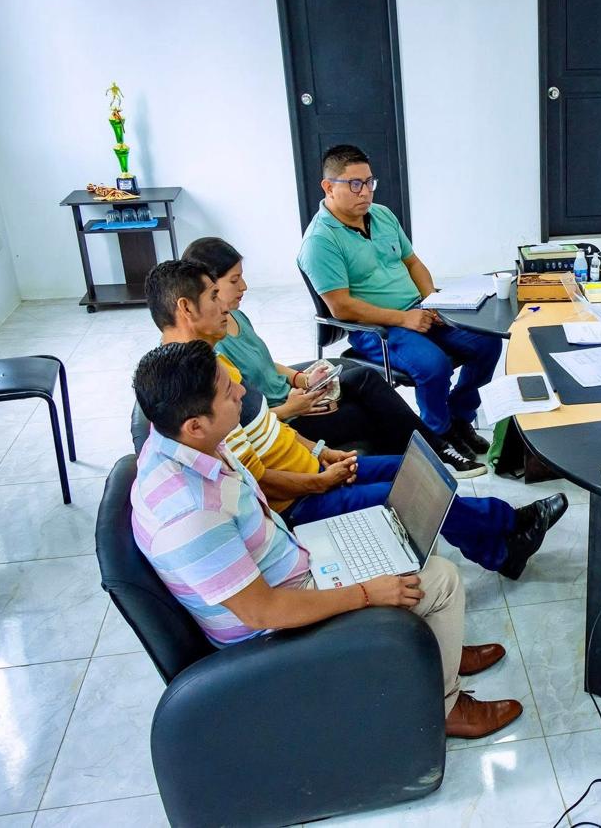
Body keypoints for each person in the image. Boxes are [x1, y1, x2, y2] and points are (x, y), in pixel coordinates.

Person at [130, 340, 522, 737]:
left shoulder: (188, 444)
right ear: (195, 424)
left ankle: (436, 650)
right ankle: (446, 706)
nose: (242, 391)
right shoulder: (190, 513)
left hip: (291, 561)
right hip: (275, 630)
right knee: (442, 579)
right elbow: (263, 613)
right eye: (228, 391)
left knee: (408, 530)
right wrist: (366, 594)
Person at [143, 260, 566, 580]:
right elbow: (256, 481)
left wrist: (322, 453)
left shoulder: (215, 366)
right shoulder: (195, 392)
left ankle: (502, 548)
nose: (225, 304)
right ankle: (508, 532)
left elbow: (268, 431)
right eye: (214, 296)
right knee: (410, 493)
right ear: (186, 307)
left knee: (419, 469)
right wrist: (320, 481)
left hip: (313, 468)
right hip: (298, 499)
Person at [181, 235, 485, 479]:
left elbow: (263, 363)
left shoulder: (235, 316)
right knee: (372, 410)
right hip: (286, 418)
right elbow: (242, 422)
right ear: (208, 286)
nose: (244, 287)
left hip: (296, 397)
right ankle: (429, 460)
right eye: (234, 280)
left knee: (364, 378)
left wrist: (301, 379)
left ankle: (435, 451)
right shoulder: (212, 349)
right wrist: (290, 408)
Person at [297, 144, 502, 460]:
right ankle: (438, 435)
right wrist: (403, 319)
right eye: (355, 184)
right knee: (433, 365)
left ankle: (459, 418)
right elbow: (341, 307)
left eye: (369, 182)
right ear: (328, 187)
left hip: (419, 310)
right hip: (375, 328)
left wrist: (432, 301)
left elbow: (413, 263)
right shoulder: (320, 241)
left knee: (487, 341)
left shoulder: (382, 215)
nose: (366, 192)